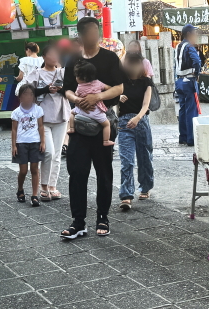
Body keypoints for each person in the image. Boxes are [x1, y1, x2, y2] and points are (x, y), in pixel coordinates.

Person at [61, 16, 124, 239]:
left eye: (96, 31)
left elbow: (119, 87)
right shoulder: (73, 60)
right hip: (79, 125)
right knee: (77, 172)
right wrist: (76, 100)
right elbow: (66, 89)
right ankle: (78, 222)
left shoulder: (109, 58)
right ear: (80, 35)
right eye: (89, 32)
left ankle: (102, 217)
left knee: (104, 172)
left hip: (102, 122)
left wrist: (98, 96)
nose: (94, 35)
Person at [21, 42, 69, 201]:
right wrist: (45, 89)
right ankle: (43, 186)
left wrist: (60, 89)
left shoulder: (63, 73)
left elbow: (72, 90)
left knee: (56, 153)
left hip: (61, 115)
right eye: (51, 54)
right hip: (43, 117)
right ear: (44, 57)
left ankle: (52, 186)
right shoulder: (36, 73)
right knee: (47, 152)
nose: (55, 57)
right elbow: (25, 91)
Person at [117, 53, 155, 211]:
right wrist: (117, 97)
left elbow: (146, 104)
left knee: (144, 157)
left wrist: (138, 118)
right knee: (127, 160)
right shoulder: (120, 82)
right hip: (124, 123)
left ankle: (145, 187)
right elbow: (111, 100)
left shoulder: (146, 82)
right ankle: (126, 195)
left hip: (141, 122)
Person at [11, 83, 46, 207]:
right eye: (25, 94)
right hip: (21, 143)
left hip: (35, 142)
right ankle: (20, 189)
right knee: (23, 170)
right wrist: (14, 145)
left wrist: (43, 141)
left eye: (31, 95)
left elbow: (41, 127)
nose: (28, 97)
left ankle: (34, 195)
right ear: (20, 97)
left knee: (34, 169)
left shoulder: (38, 110)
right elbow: (14, 129)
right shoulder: (16, 112)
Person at [67, 60, 114, 146]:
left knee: (71, 113)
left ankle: (72, 128)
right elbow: (110, 88)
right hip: (96, 111)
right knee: (106, 124)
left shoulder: (79, 87)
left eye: (77, 76)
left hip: (82, 110)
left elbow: (77, 95)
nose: (76, 78)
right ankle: (106, 141)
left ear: (83, 78)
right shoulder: (98, 83)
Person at [175, 24, 201, 146]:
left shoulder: (178, 46)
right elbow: (196, 61)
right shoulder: (189, 46)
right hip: (189, 80)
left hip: (179, 81)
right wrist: (197, 73)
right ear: (189, 34)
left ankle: (183, 137)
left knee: (183, 110)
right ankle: (191, 139)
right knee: (192, 110)